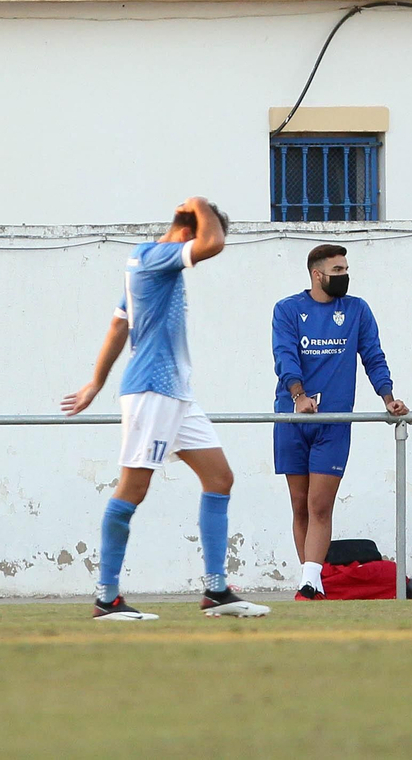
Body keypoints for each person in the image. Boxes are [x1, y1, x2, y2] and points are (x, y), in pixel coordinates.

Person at [62, 197, 268, 620]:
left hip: (176, 395)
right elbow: (213, 244)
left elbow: (119, 324)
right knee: (132, 489)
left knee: (219, 478)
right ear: (188, 232)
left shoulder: (149, 263)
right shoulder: (155, 256)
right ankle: (107, 598)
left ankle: (216, 591)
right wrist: (196, 204)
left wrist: (95, 383)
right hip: (152, 391)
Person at [271, 244, 408, 601]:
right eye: (338, 271)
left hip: (334, 424)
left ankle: (311, 580)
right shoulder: (288, 309)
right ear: (317, 275)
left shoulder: (357, 310)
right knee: (299, 505)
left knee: (320, 505)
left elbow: (373, 357)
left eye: (346, 269)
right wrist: (298, 396)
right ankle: (310, 581)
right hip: (293, 419)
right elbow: (284, 355)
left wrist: (388, 397)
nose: (344, 276)